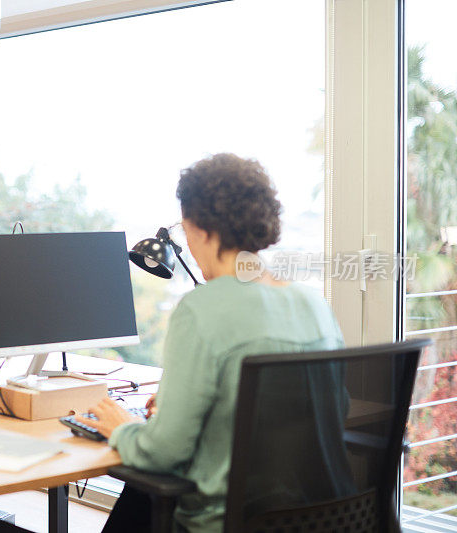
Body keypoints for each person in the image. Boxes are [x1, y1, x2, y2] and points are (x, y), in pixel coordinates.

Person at [76, 153, 345, 532]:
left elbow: (161, 453)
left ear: (200, 230)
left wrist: (121, 425)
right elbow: (316, 414)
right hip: (325, 521)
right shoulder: (315, 304)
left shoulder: (202, 309)